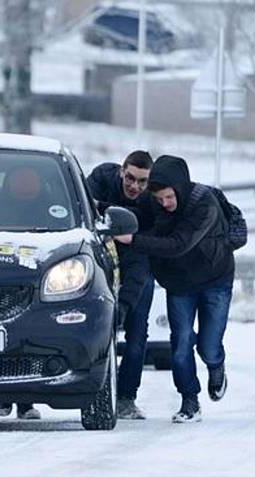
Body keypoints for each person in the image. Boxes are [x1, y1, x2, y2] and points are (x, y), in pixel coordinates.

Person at [114, 155, 233, 423]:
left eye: (169, 198)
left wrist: (133, 240)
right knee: (180, 343)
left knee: (208, 346)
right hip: (179, 283)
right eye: (159, 199)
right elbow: (135, 215)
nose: (164, 204)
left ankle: (216, 365)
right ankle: (189, 401)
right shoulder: (151, 200)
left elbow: (178, 244)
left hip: (215, 279)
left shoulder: (204, 204)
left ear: (179, 188)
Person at [87, 151, 154, 420]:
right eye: (130, 178)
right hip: (99, 264)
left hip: (137, 265)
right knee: (98, 330)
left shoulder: (150, 202)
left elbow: (139, 263)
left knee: (137, 333)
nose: (134, 186)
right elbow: (83, 205)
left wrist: (124, 305)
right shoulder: (102, 177)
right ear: (121, 171)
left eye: (142, 181)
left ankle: (127, 397)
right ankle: (94, 391)